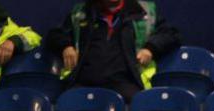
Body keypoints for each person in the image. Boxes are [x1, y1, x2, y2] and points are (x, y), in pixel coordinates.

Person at [46, 0, 180, 102]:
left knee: (143, 105)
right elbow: (54, 35)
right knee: (65, 103)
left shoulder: (144, 11)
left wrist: (150, 48)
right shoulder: (81, 12)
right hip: (84, 83)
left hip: (126, 83)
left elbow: (171, 34)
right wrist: (66, 46)